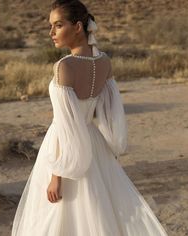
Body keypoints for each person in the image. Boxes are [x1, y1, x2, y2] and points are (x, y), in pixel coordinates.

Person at [11, 0, 169, 235]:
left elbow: (67, 127)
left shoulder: (64, 66)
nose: (51, 32)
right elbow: (108, 113)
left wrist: (57, 176)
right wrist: (109, 150)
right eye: (51, 26)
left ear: (77, 27)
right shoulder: (104, 62)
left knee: (61, 215)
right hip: (95, 144)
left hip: (64, 149)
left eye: (58, 25)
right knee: (99, 210)